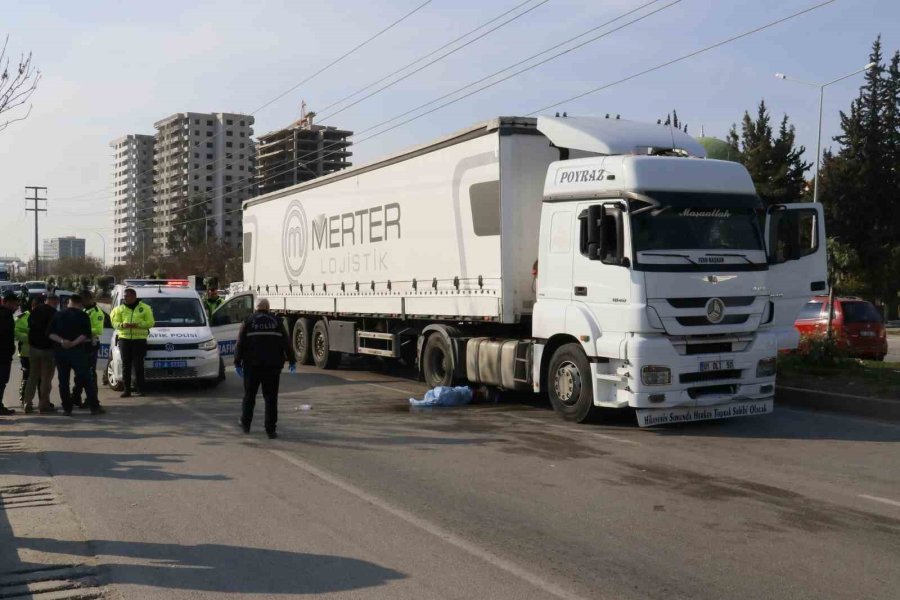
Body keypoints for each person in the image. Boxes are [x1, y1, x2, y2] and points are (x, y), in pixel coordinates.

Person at [234, 298, 296, 439]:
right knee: (271, 398)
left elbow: (240, 343)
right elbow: (286, 342)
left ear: (255, 308)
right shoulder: (276, 321)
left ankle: (245, 424)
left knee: (249, 396)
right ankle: (270, 430)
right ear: (268, 308)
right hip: (272, 367)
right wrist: (292, 360)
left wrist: (237, 362)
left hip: (252, 366)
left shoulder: (248, 321)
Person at [49, 294, 103, 416]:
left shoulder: (58, 315)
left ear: (69, 302)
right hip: (78, 352)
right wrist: (73, 343)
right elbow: (85, 334)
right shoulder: (83, 315)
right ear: (80, 304)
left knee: (63, 381)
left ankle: (67, 409)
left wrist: (63, 341)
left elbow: (50, 334)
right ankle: (94, 407)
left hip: (61, 352)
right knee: (86, 378)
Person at [110, 288, 154, 398]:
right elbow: (114, 322)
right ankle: (127, 390)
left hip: (139, 340)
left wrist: (138, 324)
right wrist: (122, 325)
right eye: (124, 296)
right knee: (126, 365)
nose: (125, 298)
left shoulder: (145, 308)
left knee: (138, 365)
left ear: (134, 297)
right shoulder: (119, 309)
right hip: (124, 339)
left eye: (127, 296)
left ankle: (140, 389)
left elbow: (150, 322)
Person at [22, 294, 58, 414]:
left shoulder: (35, 310)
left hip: (33, 348)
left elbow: (29, 325)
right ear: (55, 302)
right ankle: (43, 404)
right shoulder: (54, 313)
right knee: (46, 379)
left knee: (33, 376)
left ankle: (27, 403)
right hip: (48, 349)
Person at [71, 290, 104, 408]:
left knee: (90, 374)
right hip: (79, 345)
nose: (81, 303)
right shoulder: (83, 310)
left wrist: (83, 331)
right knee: (79, 373)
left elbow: (98, 330)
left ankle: (92, 399)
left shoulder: (96, 312)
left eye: (82, 300)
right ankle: (76, 397)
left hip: (90, 345)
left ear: (88, 299)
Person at [14, 296, 38, 407]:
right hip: (26, 352)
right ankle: (24, 399)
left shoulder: (48, 316)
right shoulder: (23, 317)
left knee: (41, 378)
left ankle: (44, 401)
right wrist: (29, 338)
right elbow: (15, 332)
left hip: (41, 351)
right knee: (27, 376)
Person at [0, 292, 19, 415]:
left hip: (4, 354)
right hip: (2, 355)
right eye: (14, 305)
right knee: (1, 381)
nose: (16, 308)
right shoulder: (5, 315)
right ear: (6, 303)